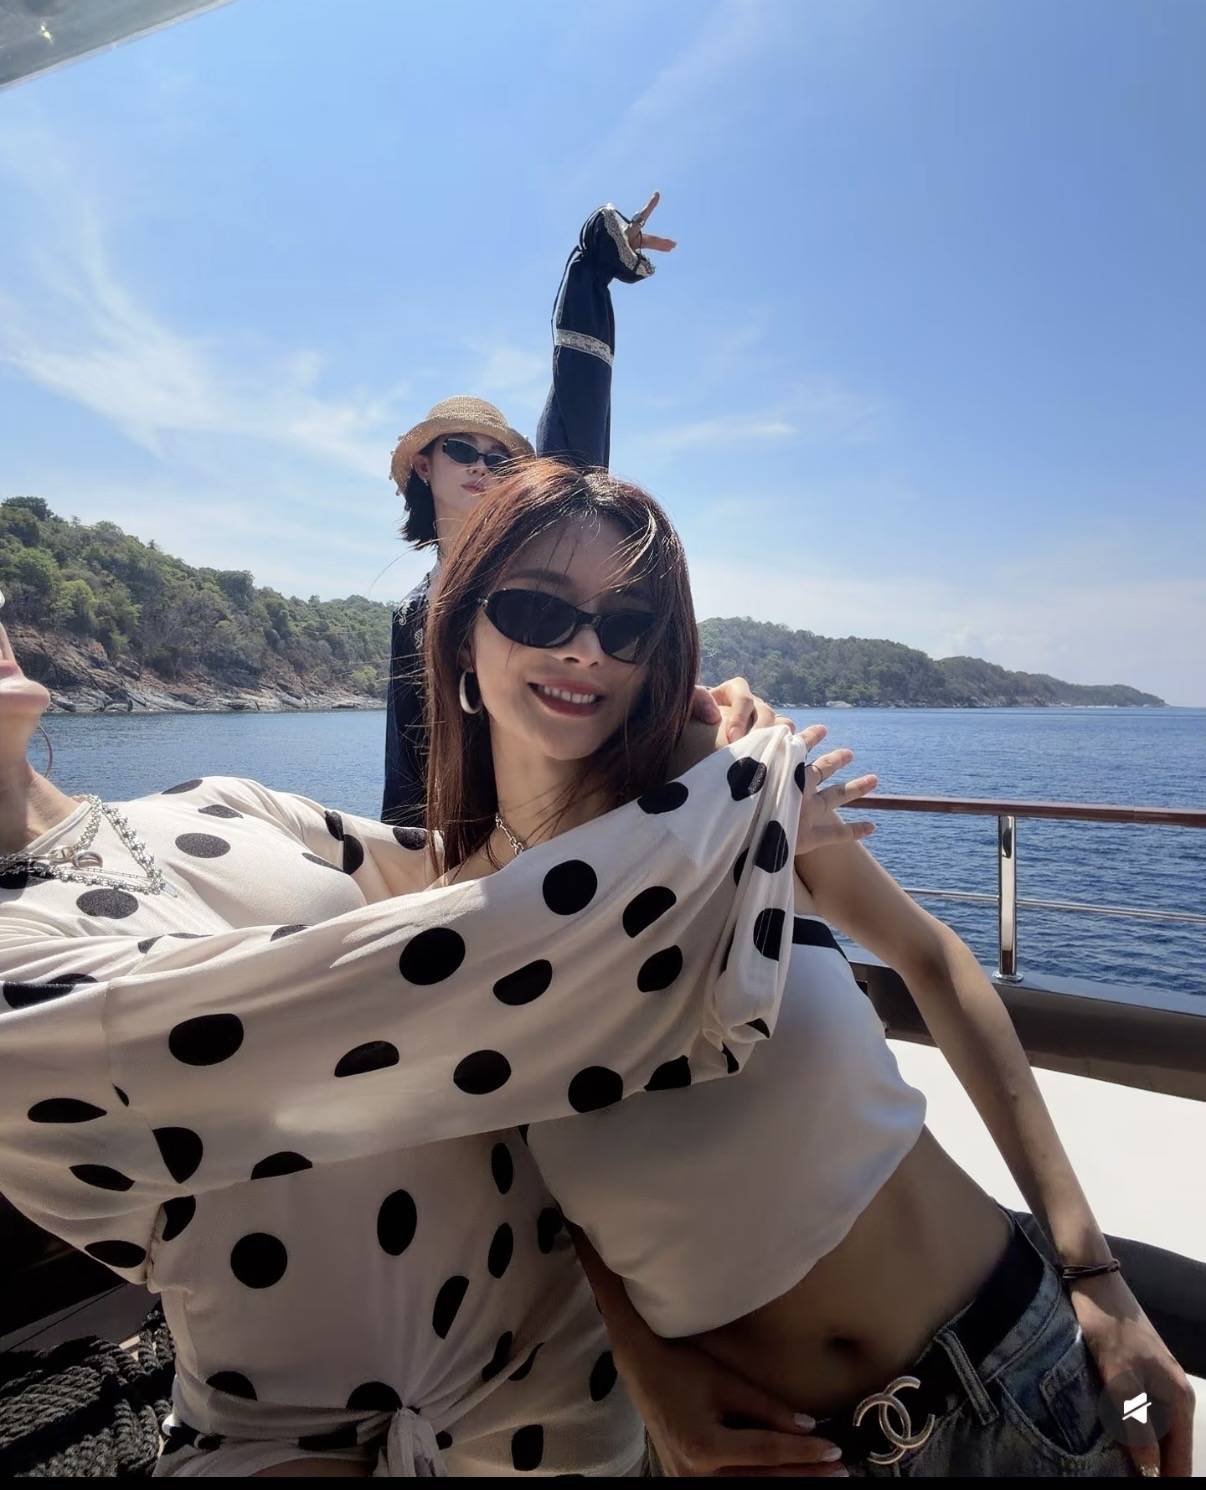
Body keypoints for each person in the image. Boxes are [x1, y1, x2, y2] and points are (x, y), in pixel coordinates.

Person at [412, 460, 1191, 1480]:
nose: (584, 648)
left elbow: (932, 960)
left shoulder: (721, 782)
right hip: (782, 1457)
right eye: (536, 608)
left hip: (1030, 1377)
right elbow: (532, 1193)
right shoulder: (450, 932)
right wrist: (650, 1378)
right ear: (461, 636)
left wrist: (1101, 1278)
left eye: (627, 623)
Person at [0, 575, 872, 1477]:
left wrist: (670, 744)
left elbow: (488, 878)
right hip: (289, 1421)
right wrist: (734, 802)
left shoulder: (218, 803)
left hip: (559, 1367)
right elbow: (425, 986)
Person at [381, 193, 754, 831]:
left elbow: (576, 405)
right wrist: (405, 863)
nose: (481, 467)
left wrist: (592, 265)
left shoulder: (549, 542)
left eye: (500, 458)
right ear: (423, 465)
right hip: (464, 857)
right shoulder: (415, 614)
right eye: (462, 450)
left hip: (576, 845)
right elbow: (406, 767)